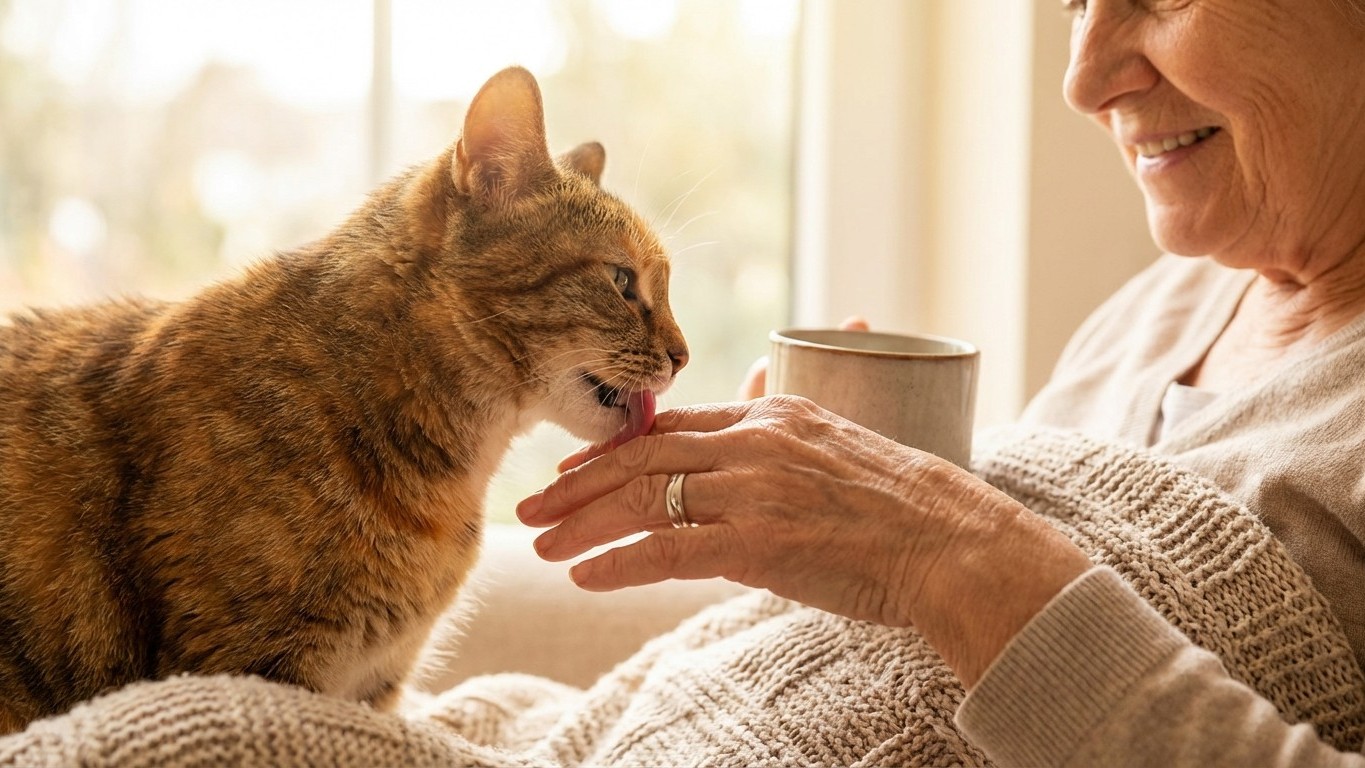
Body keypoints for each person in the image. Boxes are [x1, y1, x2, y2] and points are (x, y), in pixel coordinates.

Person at [515, 0, 1365, 764]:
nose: (1081, 81)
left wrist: (938, 548)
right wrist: (831, 509)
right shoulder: (1158, 309)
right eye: (1076, 4)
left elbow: (984, 570)